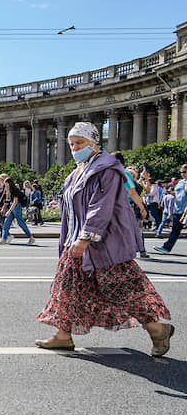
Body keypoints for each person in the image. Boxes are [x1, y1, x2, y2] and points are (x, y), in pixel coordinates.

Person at [35, 122, 173, 356]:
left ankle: (158, 329)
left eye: (80, 143)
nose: (75, 147)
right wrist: (71, 240)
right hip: (75, 242)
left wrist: (86, 237)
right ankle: (62, 334)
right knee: (67, 288)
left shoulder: (107, 168)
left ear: (94, 143)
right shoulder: (77, 171)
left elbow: (101, 206)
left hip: (102, 244)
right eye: (71, 144)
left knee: (123, 290)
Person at [112, 153, 149, 259]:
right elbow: (132, 193)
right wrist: (142, 208)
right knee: (130, 232)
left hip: (107, 208)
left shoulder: (104, 172)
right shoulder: (124, 174)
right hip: (122, 208)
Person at [153, 164, 187, 255]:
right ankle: (167, 247)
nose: (182, 174)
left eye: (184, 172)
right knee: (175, 230)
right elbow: (178, 194)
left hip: (185, 210)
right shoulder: (180, 182)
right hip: (177, 209)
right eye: (181, 172)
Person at [0, 177, 35, 245]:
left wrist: (9, 211)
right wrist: (4, 207)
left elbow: (15, 202)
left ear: (9, 183)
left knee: (21, 223)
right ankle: (4, 239)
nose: (5, 186)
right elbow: (8, 200)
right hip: (13, 206)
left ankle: (31, 238)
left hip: (17, 207)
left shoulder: (15, 190)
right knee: (6, 223)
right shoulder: (10, 190)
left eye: (6, 184)